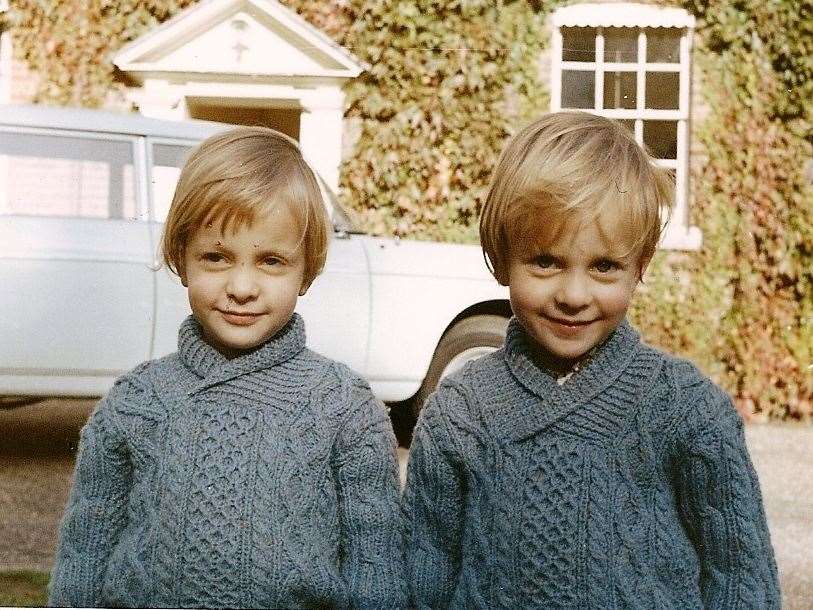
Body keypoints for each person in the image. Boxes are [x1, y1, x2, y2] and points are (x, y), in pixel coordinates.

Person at [403, 111, 780, 609]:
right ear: (502, 257)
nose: (574, 294)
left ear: (640, 265)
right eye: (546, 261)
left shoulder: (685, 409)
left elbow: (741, 577)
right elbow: (418, 576)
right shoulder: (461, 413)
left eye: (604, 266)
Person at [48, 126, 406, 609]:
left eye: (271, 261)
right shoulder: (136, 402)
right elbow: (84, 557)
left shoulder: (343, 407)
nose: (242, 286)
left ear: (307, 270)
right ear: (181, 259)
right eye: (216, 257)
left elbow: (375, 568)